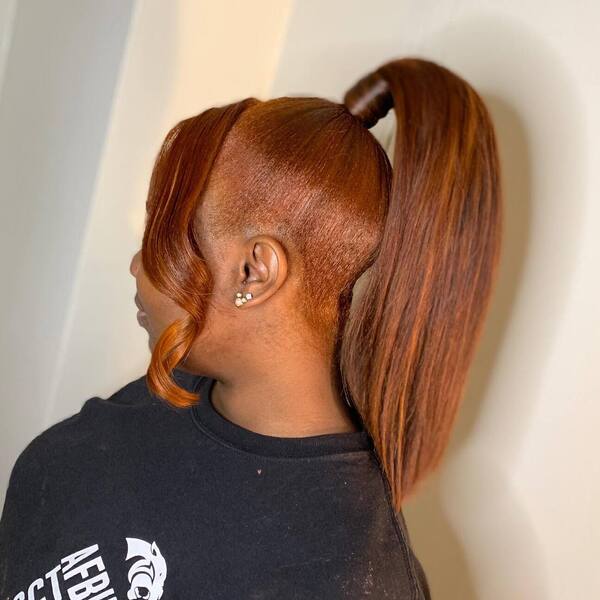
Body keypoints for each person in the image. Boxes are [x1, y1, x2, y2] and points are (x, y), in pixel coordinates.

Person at [0, 56, 502, 599]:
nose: (136, 265)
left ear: (253, 272)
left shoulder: (349, 577)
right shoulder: (158, 403)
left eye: (164, 232)